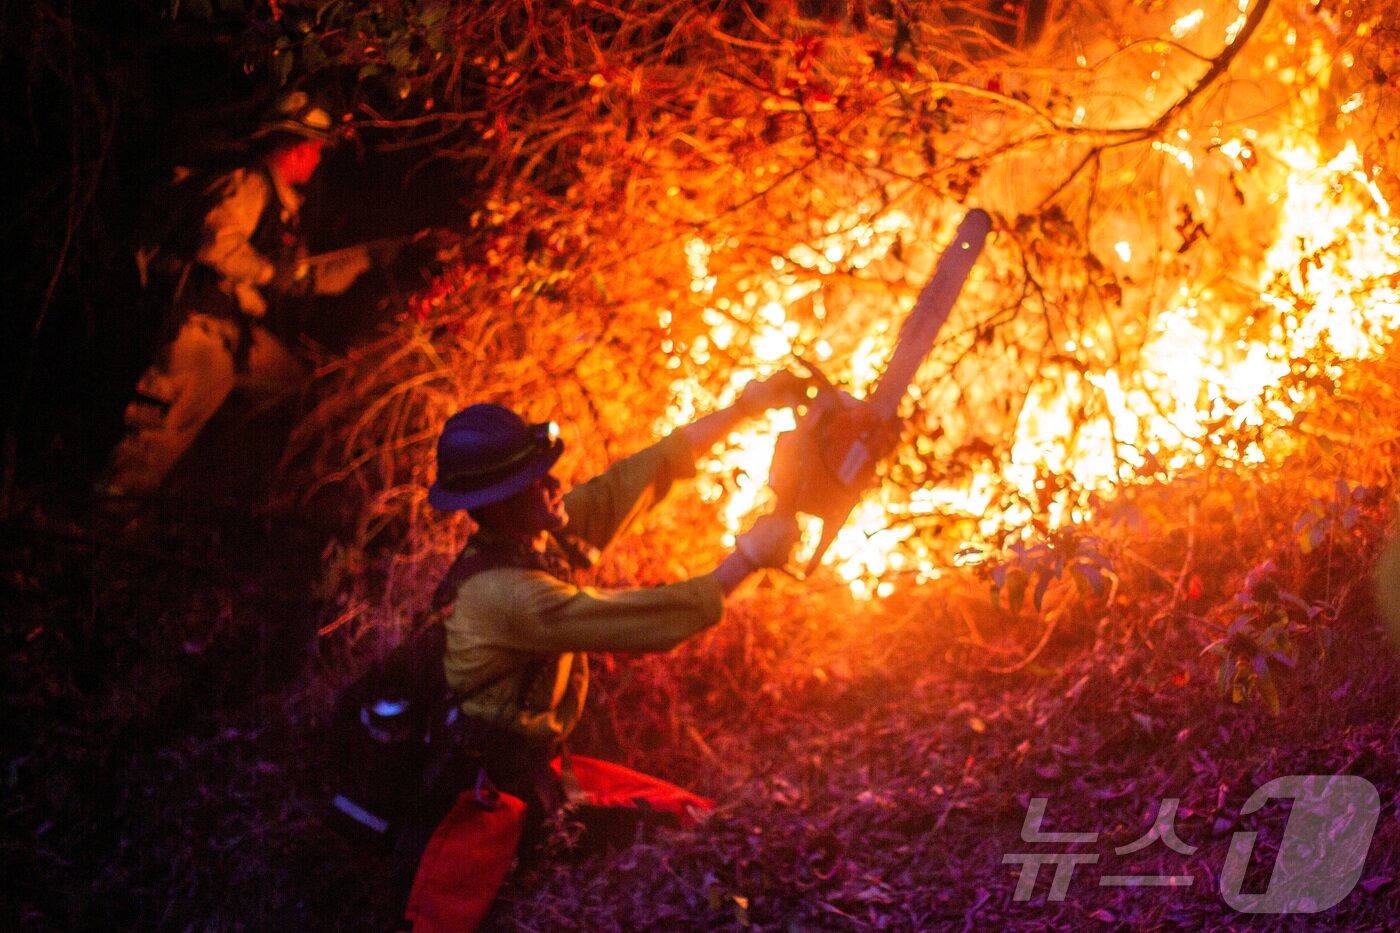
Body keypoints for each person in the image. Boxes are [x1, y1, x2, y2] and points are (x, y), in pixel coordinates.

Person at [399, 375, 807, 926]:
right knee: (689, 842)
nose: (552, 480)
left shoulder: (537, 535)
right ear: (496, 507)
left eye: (543, 465)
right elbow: (649, 621)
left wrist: (743, 408)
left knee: (704, 819)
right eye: (532, 477)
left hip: (541, 769)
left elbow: (648, 472)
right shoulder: (507, 595)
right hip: (496, 796)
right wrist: (749, 558)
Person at [98, 91, 378, 500]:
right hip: (202, 331)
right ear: (300, 150)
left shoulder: (283, 207)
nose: (318, 161)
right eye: (318, 150)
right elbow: (216, 244)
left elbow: (301, 277)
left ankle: (226, 500)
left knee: (294, 395)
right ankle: (107, 514)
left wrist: (365, 262)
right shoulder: (247, 183)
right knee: (163, 429)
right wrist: (269, 273)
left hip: (238, 336)